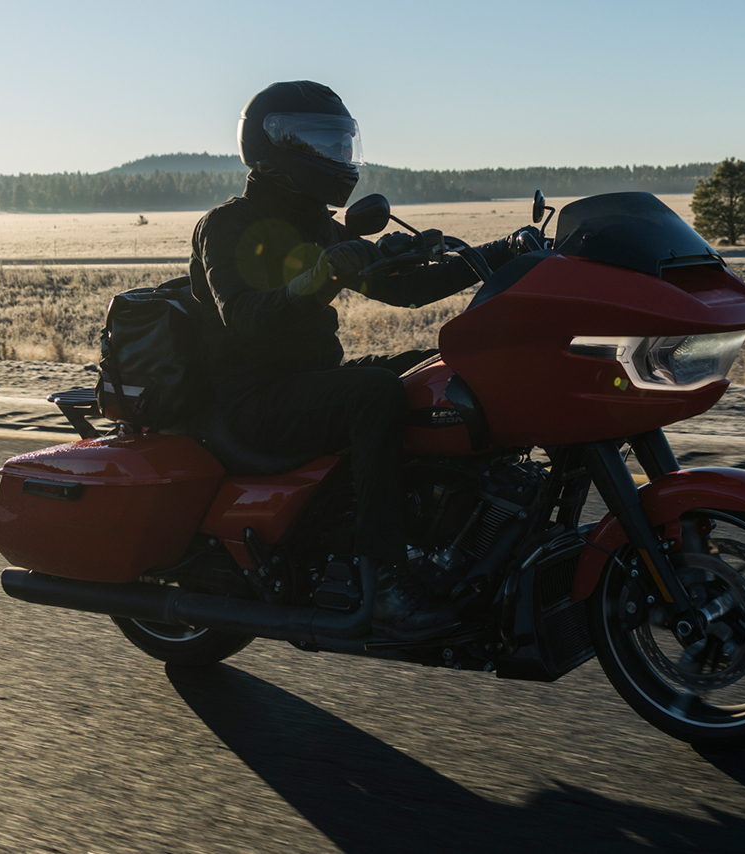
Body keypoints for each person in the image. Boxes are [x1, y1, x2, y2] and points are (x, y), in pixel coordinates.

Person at [188, 80, 525, 638]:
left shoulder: (315, 222)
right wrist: (321, 276)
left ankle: (468, 531)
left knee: (441, 368)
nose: (337, 157)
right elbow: (245, 316)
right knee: (376, 393)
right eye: (321, 143)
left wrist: (501, 254)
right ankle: (387, 581)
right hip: (256, 398)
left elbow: (406, 293)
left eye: (342, 144)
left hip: (312, 379)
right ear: (273, 145)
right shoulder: (228, 224)